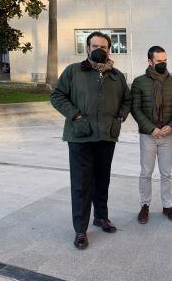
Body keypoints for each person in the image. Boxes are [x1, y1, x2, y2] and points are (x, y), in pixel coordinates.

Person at [50, 31, 132, 250]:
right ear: (87, 48)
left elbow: (127, 100)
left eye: (103, 47)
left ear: (109, 49)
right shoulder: (73, 71)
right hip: (80, 138)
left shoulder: (116, 75)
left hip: (106, 137)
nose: (99, 49)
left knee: (102, 180)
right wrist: (75, 116)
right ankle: (80, 229)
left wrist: (118, 119)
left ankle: (101, 217)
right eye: (94, 45)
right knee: (81, 185)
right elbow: (57, 96)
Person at [131, 46, 172, 224]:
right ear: (150, 62)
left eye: (165, 60)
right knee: (146, 172)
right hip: (148, 135)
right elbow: (135, 109)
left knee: (166, 173)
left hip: (167, 135)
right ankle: (144, 206)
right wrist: (151, 128)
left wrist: (171, 126)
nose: (163, 64)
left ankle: (167, 206)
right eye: (159, 61)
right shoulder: (139, 82)